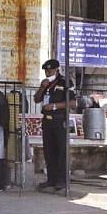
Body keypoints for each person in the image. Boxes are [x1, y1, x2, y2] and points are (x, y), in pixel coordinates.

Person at [33, 59, 76, 191]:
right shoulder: (45, 83)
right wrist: (42, 87)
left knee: (61, 151)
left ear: (56, 69)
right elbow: (36, 99)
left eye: (50, 70)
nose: (48, 72)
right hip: (47, 121)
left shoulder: (65, 82)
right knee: (49, 151)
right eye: (46, 70)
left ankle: (62, 181)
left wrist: (55, 106)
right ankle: (51, 180)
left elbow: (73, 103)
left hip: (59, 119)